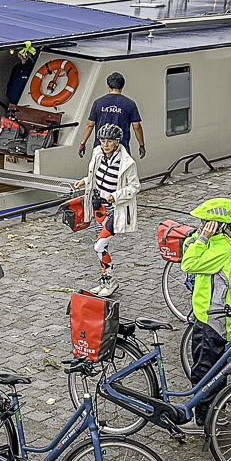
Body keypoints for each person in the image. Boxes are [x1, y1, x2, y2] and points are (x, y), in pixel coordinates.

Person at [180, 198, 231, 425]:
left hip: (212, 319)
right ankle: (216, 413)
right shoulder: (223, 243)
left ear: (215, 225)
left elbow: (188, 264)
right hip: (213, 316)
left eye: (205, 222)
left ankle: (204, 421)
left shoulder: (220, 250)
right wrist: (201, 238)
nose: (201, 226)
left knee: (205, 372)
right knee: (216, 370)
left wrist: (202, 238)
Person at [69, 123, 140, 297]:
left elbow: (134, 186)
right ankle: (106, 280)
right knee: (102, 247)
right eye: (102, 141)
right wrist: (85, 181)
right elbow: (96, 176)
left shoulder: (127, 163)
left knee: (99, 245)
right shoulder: (98, 155)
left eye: (109, 141)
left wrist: (115, 196)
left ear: (117, 142)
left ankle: (111, 281)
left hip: (114, 210)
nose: (105, 144)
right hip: (98, 208)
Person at [79, 72, 146, 159]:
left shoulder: (98, 103)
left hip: (101, 147)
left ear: (107, 85)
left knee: (99, 167)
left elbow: (90, 125)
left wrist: (83, 143)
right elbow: (136, 127)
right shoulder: (130, 104)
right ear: (123, 86)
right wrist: (141, 145)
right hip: (121, 148)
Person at [5, 42, 37, 106]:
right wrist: (9, 96)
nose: (24, 56)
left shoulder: (33, 67)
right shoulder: (16, 68)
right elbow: (11, 82)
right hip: (14, 99)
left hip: (27, 101)